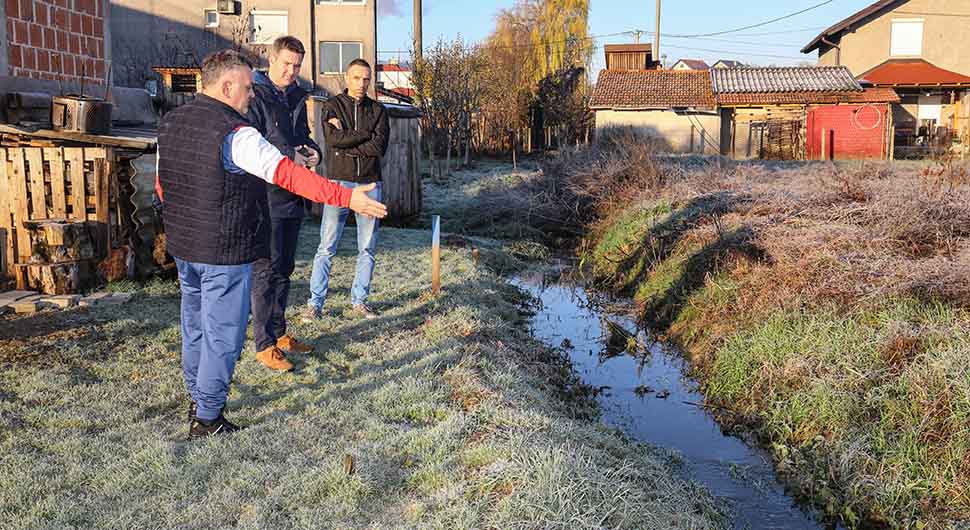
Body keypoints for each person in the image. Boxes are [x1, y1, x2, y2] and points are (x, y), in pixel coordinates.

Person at [156, 49, 386, 439]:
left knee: (193, 325)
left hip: (184, 246)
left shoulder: (171, 122)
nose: (251, 94)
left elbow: (163, 185)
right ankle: (208, 418)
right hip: (223, 250)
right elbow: (288, 175)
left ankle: (198, 397)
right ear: (226, 86)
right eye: (247, 87)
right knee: (222, 335)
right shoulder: (237, 134)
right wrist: (347, 198)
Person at [247, 36, 321, 372]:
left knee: (286, 270)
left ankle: (279, 334)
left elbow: (300, 135)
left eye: (297, 65)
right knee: (266, 270)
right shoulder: (255, 95)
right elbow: (253, 144)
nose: (291, 71)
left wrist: (311, 150)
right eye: (286, 64)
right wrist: (289, 155)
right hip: (265, 196)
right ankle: (263, 343)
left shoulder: (296, 96)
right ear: (271, 59)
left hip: (294, 193)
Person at [304, 58, 389, 321]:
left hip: (370, 183)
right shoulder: (332, 105)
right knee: (327, 246)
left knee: (368, 248)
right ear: (347, 78)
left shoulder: (378, 111)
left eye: (366, 79)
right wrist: (365, 134)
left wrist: (349, 137)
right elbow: (332, 142)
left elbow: (378, 148)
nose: (362, 83)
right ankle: (315, 303)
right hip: (338, 184)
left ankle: (360, 302)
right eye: (356, 78)